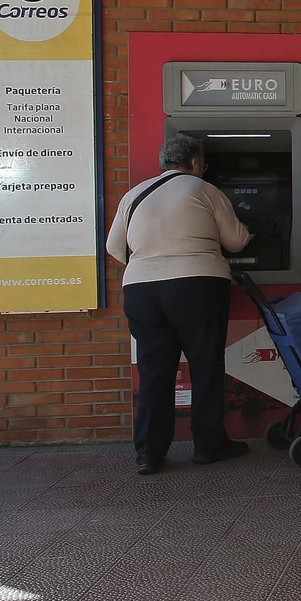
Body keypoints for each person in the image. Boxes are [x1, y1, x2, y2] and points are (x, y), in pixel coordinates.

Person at [106, 133, 252, 475]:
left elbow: (115, 247)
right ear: (195, 163)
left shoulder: (134, 194)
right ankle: (208, 446)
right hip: (197, 285)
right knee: (205, 366)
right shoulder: (204, 189)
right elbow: (237, 240)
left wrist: (152, 260)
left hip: (142, 290)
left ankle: (149, 454)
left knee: (155, 372)